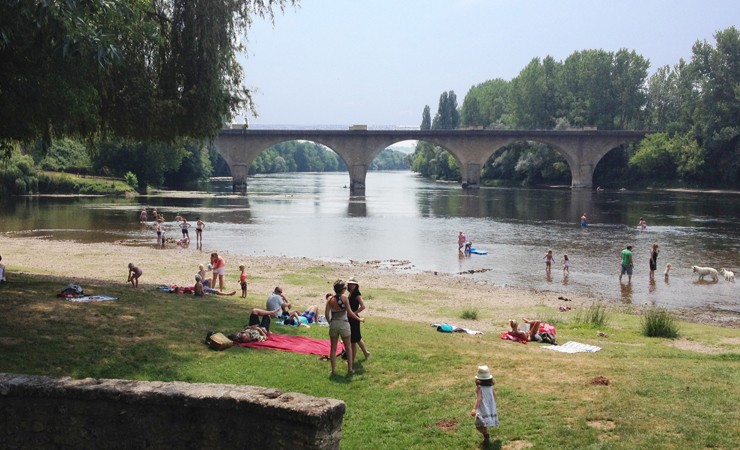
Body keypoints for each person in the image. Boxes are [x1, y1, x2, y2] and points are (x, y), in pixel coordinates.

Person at [326, 279, 364, 376]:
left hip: (334, 323)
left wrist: (330, 322)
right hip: (344, 324)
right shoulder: (345, 299)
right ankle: (350, 369)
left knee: (333, 348)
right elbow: (350, 312)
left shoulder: (330, 299)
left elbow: (326, 314)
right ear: (342, 289)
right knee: (348, 347)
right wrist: (359, 319)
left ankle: (333, 370)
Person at [470, 364, 498, 445]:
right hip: (490, 407)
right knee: (485, 422)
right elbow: (494, 395)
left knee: (478, 425)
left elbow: (479, 399)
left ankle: (485, 433)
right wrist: (492, 404)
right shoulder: (491, 386)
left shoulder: (479, 388)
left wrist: (474, 409)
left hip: (482, 408)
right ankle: (486, 434)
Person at [347, 277, 371, 362]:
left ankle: (352, 360)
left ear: (356, 285)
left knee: (353, 341)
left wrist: (353, 313)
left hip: (354, 319)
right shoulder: (350, 292)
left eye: (353, 284)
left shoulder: (357, 294)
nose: (352, 285)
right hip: (351, 318)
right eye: (350, 284)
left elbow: (363, 306)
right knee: (357, 338)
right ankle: (366, 353)